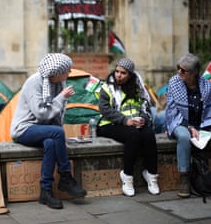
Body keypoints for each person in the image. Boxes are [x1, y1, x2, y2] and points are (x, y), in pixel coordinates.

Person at [10, 53, 87, 209]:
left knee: (51, 142)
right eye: (68, 70)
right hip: (24, 129)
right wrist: (61, 98)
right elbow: (41, 114)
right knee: (57, 133)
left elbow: (56, 116)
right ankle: (65, 177)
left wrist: (59, 135)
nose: (70, 73)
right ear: (57, 72)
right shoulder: (34, 82)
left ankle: (45, 191)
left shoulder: (59, 83)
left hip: (42, 129)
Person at [166, 53, 211, 198]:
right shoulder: (174, 83)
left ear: (194, 73)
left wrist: (203, 127)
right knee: (183, 137)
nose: (179, 72)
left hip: (203, 124)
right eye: (178, 68)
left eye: (183, 70)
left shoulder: (208, 86)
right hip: (180, 123)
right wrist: (189, 126)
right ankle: (184, 177)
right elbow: (171, 112)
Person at [96, 58, 160, 197]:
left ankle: (151, 174)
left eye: (123, 73)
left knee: (148, 134)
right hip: (109, 125)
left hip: (133, 123)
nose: (118, 75)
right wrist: (125, 120)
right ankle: (127, 176)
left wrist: (143, 118)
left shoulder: (138, 87)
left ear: (130, 75)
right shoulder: (107, 87)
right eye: (117, 71)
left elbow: (145, 106)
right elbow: (104, 109)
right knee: (133, 135)